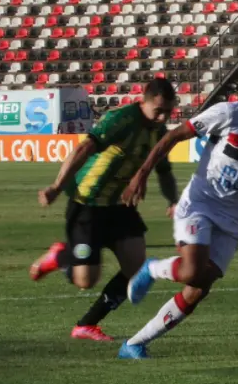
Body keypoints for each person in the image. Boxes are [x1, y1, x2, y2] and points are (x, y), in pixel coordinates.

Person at [117, 61, 238, 359]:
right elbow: (173, 136)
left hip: (235, 218)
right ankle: (152, 268)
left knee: (198, 288)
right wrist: (141, 175)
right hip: (201, 203)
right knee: (191, 270)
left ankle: (134, 344)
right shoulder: (230, 113)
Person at [28, 78, 177, 342]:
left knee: (136, 265)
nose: (162, 117)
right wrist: (57, 186)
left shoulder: (159, 131)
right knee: (85, 280)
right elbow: (84, 148)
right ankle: (61, 256)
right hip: (88, 204)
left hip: (119, 207)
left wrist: (172, 200)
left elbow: (164, 170)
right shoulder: (121, 119)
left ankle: (86, 325)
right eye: (158, 111)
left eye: (168, 111)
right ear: (144, 100)